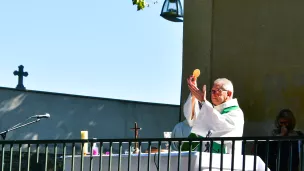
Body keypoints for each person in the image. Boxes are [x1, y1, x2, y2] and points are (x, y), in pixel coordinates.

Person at [182, 76, 244, 155]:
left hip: (225, 162)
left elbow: (220, 127)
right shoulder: (211, 111)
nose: (213, 94)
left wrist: (203, 101)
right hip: (205, 159)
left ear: (229, 93)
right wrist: (194, 94)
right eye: (212, 91)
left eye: (217, 91)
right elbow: (194, 121)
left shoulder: (236, 113)